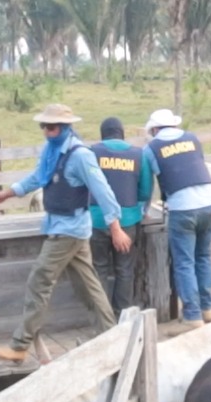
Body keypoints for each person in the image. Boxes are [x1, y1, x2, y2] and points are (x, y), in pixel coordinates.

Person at [0, 104, 131, 363]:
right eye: (43, 126)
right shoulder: (51, 152)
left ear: (66, 128)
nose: (46, 131)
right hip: (61, 226)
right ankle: (113, 336)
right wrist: (5, 194)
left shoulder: (80, 156)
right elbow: (37, 178)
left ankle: (20, 345)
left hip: (69, 229)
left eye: (52, 127)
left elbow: (102, 191)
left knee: (39, 279)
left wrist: (115, 228)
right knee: (88, 286)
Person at [142, 108, 211, 331]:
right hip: (209, 202)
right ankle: (209, 308)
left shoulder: (151, 149)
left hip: (182, 208)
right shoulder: (192, 139)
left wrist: (143, 210)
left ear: (154, 129)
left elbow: (148, 186)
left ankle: (193, 315)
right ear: (174, 125)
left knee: (184, 262)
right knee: (203, 256)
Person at [90, 117, 153, 318]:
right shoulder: (137, 154)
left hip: (96, 219)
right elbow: (145, 190)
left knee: (98, 268)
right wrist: (140, 209)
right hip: (127, 220)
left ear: (103, 133)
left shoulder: (92, 152)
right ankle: (123, 316)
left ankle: (102, 318)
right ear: (122, 132)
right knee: (124, 269)